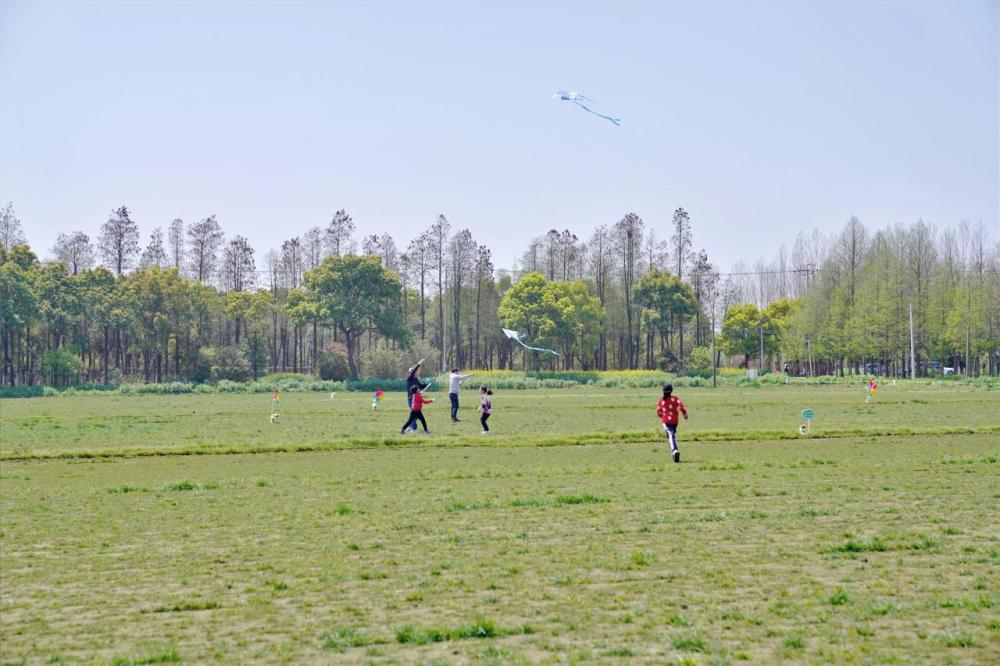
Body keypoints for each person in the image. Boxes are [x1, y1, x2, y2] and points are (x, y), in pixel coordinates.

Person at [656, 383, 688, 463]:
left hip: (666, 421)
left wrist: (661, 416)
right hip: (675, 421)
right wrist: (685, 414)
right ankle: (674, 451)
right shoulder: (675, 399)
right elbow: (681, 406)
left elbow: (658, 411)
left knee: (671, 435)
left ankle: (674, 450)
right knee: (672, 434)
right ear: (671, 390)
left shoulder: (661, 401)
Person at [405, 359, 429, 431]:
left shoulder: (416, 379)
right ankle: (413, 428)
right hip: (410, 398)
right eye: (411, 371)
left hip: (416, 398)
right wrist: (419, 363)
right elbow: (414, 371)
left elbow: (421, 386)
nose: (413, 372)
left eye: (413, 371)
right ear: (410, 373)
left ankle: (410, 426)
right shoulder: (409, 378)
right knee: (415, 414)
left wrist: (426, 386)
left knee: (414, 414)